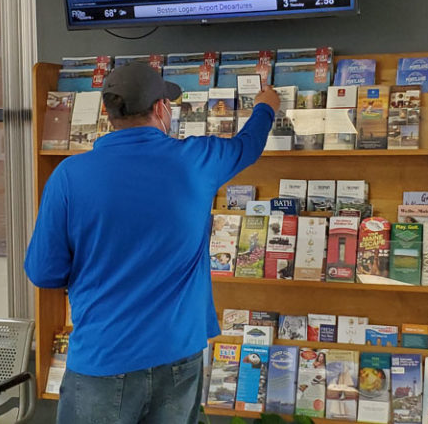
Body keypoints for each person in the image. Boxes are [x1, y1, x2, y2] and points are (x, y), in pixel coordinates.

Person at [24, 61, 280, 424]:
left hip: (102, 357)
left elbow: (44, 273)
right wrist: (266, 105)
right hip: (178, 354)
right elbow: (248, 145)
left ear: (108, 112)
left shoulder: (68, 175)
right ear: (161, 109)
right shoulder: (197, 160)